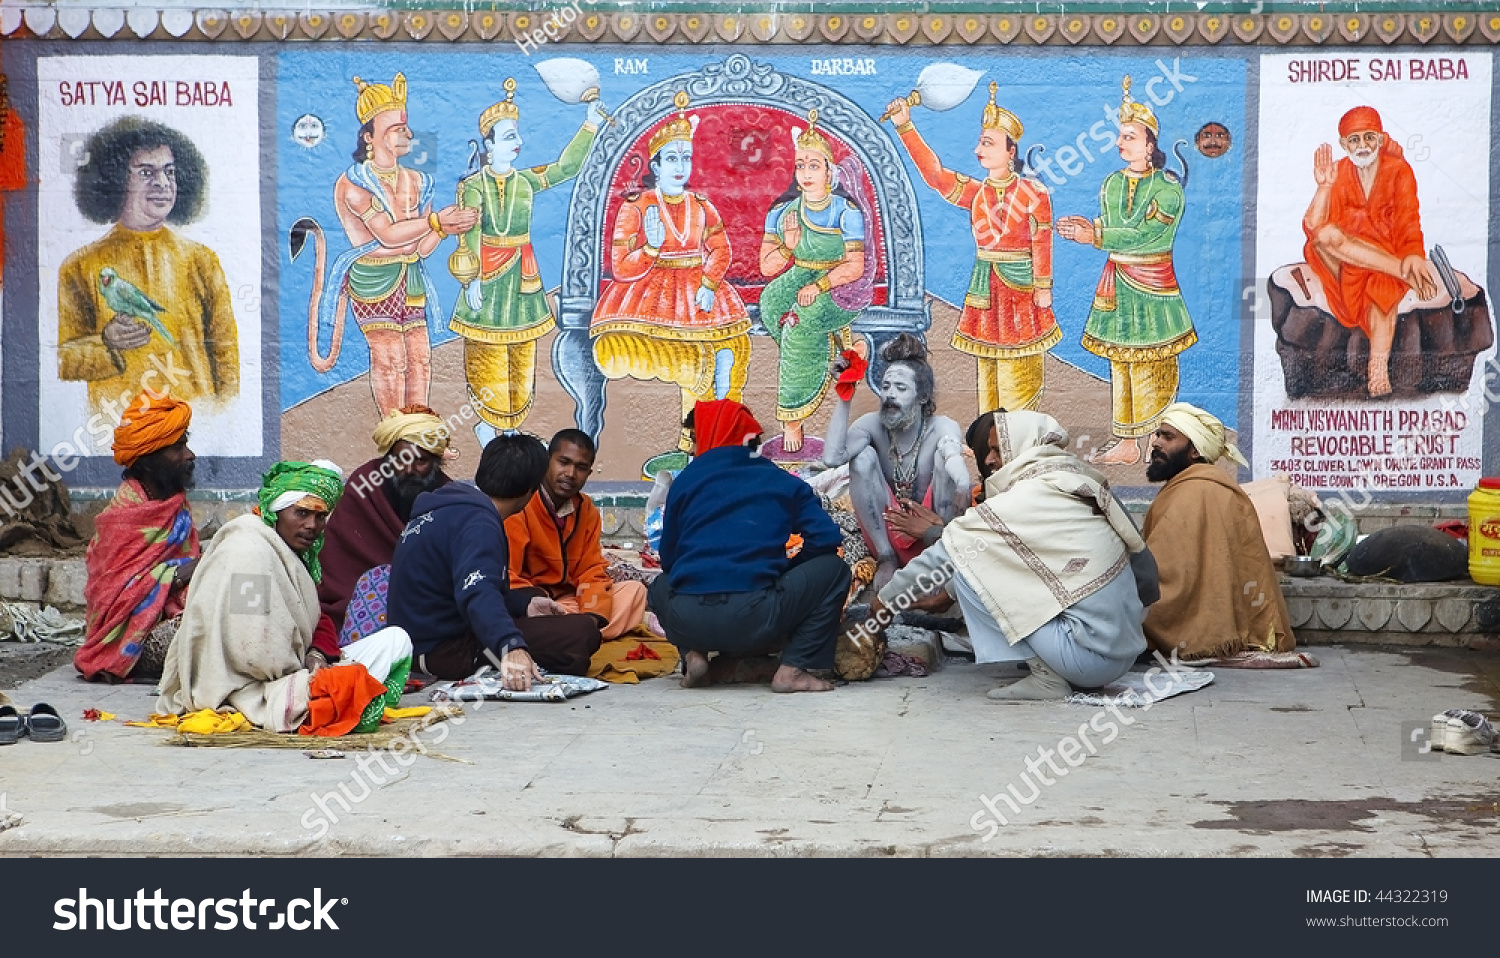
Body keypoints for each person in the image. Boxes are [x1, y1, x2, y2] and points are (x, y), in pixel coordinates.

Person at [869, 411, 1152, 700]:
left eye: (996, 450)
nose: (990, 460)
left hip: (1090, 659)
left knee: (972, 575)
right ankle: (1057, 666)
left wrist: (885, 601)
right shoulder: (1071, 477)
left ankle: (1047, 680)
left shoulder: (1029, 494)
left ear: (1023, 446)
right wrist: (945, 598)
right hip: (1122, 653)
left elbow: (950, 553)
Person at [157, 461, 412, 733]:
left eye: (320, 516)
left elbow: (315, 618)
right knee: (343, 686)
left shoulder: (286, 549)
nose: (312, 525)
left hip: (293, 666)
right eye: (301, 513)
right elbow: (251, 651)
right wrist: (306, 671)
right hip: (248, 686)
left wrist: (318, 653)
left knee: (396, 640)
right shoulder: (250, 553)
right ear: (275, 511)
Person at [591, 91, 753, 478]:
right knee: (695, 363)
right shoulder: (637, 207)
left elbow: (720, 249)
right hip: (652, 296)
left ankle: (715, 448)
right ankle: (692, 447)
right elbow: (621, 265)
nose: (680, 166)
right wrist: (648, 246)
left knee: (731, 355)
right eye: (672, 158)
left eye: (686, 158)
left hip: (700, 291)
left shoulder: (702, 206)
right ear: (656, 165)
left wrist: (711, 284)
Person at [649, 400, 850, 693]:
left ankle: (693, 656)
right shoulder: (782, 481)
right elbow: (827, 539)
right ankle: (792, 670)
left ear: (711, 434)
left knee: (658, 585)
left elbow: (669, 559)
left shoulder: (686, 481)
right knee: (836, 570)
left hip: (689, 620)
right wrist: (788, 569)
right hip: (757, 618)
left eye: (694, 439)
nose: (692, 450)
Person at [308, 73, 478, 415]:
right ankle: (394, 440)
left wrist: (448, 227)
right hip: (373, 280)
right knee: (390, 361)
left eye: (406, 128)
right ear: (370, 136)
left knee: (421, 359)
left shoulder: (418, 181)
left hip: (410, 277)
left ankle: (418, 439)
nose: (409, 135)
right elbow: (387, 234)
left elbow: (420, 248)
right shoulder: (353, 184)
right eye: (398, 129)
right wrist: (435, 222)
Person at [887, 82, 1059, 414]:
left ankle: (1016, 430)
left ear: (1011, 151)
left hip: (1021, 287)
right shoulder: (977, 192)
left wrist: (1043, 285)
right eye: (980, 142)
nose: (979, 149)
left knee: (1019, 364)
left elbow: (1042, 238)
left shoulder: (1034, 192)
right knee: (988, 365)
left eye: (988, 143)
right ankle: (989, 431)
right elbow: (936, 176)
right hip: (986, 285)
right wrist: (905, 126)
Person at [448, 79, 603, 441]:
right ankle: (489, 424)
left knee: (521, 359)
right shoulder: (473, 186)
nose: (516, 142)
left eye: (516, 135)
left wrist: (590, 123)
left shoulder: (525, 181)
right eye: (507, 137)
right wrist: (470, 280)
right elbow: (467, 233)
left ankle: (512, 426)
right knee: (488, 357)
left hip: (521, 280)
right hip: (486, 280)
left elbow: (566, 168)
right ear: (488, 144)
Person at [387, 433, 603, 688]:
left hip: (418, 642)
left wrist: (525, 605)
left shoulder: (452, 506)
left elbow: (462, 585)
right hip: (440, 652)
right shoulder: (480, 523)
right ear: (530, 491)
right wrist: (511, 648)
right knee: (580, 633)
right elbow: (478, 593)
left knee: (535, 603)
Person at [57, 117, 239, 412]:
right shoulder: (80, 267)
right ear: (117, 179)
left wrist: (223, 417)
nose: (163, 184)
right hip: (117, 428)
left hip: (193, 422)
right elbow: (63, 360)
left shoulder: (202, 260)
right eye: (146, 172)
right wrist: (106, 343)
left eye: (170, 172)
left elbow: (226, 354)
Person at [1058, 76, 1196, 466]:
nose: (1121, 143)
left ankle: (1156, 437)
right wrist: (1090, 230)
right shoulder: (1112, 185)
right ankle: (1126, 440)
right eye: (1120, 137)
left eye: (1130, 137)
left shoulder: (1168, 189)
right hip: (1118, 284)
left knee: (1154, 363)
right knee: (1122, 363)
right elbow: (1117, 230)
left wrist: (1094, 234)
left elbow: (1147, 236)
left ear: (1150, 144)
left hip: (1153, 286)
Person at [1141, 402, 1296, 660]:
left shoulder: (1191, 492)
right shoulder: (1211, 484)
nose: (1156, 442)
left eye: (1168, 437)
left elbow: (1165, 573)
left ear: (1194, 451)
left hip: (1189, 623)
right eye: (1158, 434)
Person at [758, 110, 873, 453]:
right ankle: (825, 353)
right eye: (800, 165)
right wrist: (789, 247)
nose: (805, 174)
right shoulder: (783, 211)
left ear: (829, 171)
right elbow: (767, 267)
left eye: (814, 165)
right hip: (801, 269)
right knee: (771, 303)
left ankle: (793, 417)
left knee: (798, 322)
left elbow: (854, 265)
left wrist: (819, 286)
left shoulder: (845, 212)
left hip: (839, 285)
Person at [1302, 106, 1436, 398]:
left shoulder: (1398, 171)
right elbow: (1313, 226)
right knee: (1326, 235)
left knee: (1381, 286)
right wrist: (1324, 186)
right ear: (1344, 144)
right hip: (1344, 264)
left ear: (1379, 138)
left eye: (1368, 138)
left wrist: (1413, 254)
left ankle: (1377, 371)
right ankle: (1401, 272)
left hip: (1383, 260)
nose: (1362, 146)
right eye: (1354, 140)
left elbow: (1409, 219)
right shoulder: (1338, 173)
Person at [822, 333, 969, 588]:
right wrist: (845, 394)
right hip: (886, 539)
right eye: (886, 386)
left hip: (934, 536)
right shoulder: (872, 425)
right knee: (863, 457)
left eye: (901, 388)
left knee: (945, 465)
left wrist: (965, 485)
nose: (890, 395)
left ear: (922, 397)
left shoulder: (941, 427)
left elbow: (952, 454)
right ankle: (887, 559)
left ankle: (942, 560)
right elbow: (832, 458)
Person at [76, 392, 200, 682]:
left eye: (186, 444)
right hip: (130, 642)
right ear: (148, 461)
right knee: (207, 629)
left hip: (174, 615)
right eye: (178, 448)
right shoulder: (122, 518)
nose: (189, 455)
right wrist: (180, 574)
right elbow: (115, 592)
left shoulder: (175, 504)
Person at [316, 404, 454, 636]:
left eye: (421, 462)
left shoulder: (448, 496)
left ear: (436, 463)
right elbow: (337, 562)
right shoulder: (365, 484)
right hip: (355, 605)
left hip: (424, 606)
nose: (409, 470)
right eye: (401, 460)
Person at [505, 429, 649, 641]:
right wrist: (540, 600)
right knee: (530, 615)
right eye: (563, 462)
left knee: (634, 592)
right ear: (547, 461)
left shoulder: (586, 509)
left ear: (589, 473)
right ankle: (578, 634)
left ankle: (579, 633)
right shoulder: (522, 503)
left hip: (571, 602)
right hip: (534, 604)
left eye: (581, 467)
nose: (571, 474)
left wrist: (592, 616)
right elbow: (507, 577)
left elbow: (591, 571)